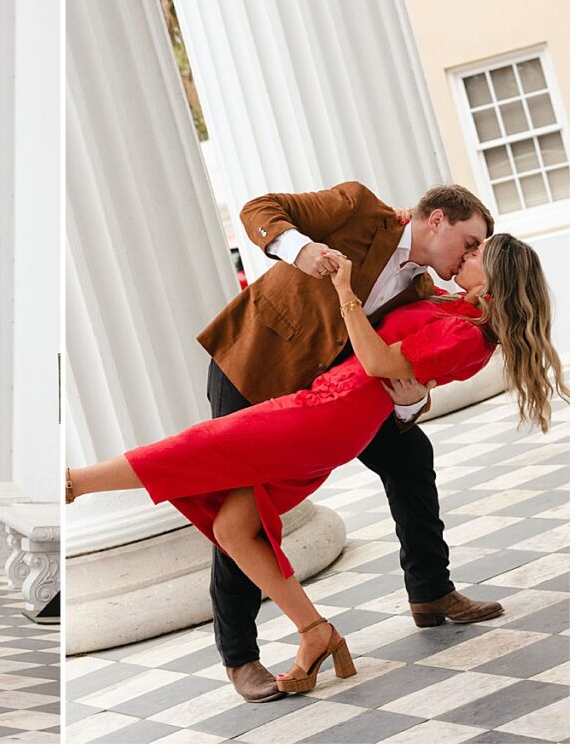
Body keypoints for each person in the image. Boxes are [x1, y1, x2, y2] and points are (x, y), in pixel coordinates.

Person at [67, 231, 567, 694]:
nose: (468, 254)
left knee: (197, 447)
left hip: (326, 416)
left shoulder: (469, 336)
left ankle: (72, 484)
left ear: (498, 276)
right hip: (326, 408)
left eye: (478, 252)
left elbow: (376, 364)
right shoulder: (451, 306)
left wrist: (346, 288)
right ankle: (315, 632)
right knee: (234, 528)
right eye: (471, 243)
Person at [197, 181, 503, 702]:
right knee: (243, 506)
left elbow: (397, 367)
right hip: (254, 367)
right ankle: (240, 656)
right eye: (471, 242)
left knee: (411, 453)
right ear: (437, 221)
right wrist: (302, 247)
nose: (472, 256)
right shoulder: (359, 209)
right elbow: (258, 209)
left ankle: (430, 592)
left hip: (330, 392)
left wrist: (406, 402)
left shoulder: (423, 292)